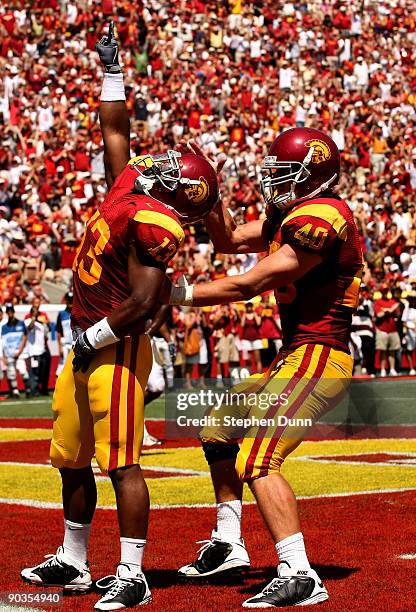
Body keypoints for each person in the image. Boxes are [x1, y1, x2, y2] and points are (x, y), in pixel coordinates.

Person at [21, 23, 220, 611]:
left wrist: (94, 339)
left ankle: (131, 572)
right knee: (70, 458)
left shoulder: (159, 224)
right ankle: (75, 561)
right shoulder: (130, 187)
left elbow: (144, 304)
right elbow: (114, 128)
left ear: (180, 192)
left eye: (172, 165)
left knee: (123, 464)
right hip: (84, 343)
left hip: (116, 347)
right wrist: (111, 71)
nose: (156, 159)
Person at [164, 129, 363, 608]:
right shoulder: (291, 214)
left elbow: (247, 285)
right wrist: (208, 190)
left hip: (320, 355)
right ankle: (230, 542)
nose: (273, 182)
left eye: (284, 172)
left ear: (312, 174)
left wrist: (173, 296)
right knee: (217, 429)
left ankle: (299, 572)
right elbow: (229, 239)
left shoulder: (325, 216)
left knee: (258, 457)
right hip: (294, 354)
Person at [1, 303, 30, 398]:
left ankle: (28, 391)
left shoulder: (21, 323)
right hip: (9, 355)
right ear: (6, 312)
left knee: (23, 372)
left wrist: (20, 351)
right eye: (8, 311)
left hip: (19, 354)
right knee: (12, 374)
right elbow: (4, 343)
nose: (10, 313)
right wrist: (4, 356)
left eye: (11, 311)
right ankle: (15, 392)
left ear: (13, 311)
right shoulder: (4, 327)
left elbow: (24, 338)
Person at [374, 284, 401, 376]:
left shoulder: (392, 301)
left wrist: (387, 310)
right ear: (381, 291)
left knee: (392, 350)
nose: (385, 292)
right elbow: (379, 315)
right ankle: (382, 370)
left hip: (393, 329)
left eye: (386, 290)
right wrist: (389, 310)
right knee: (383, 350)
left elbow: (397, 314)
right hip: (382, 329)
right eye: (384, 290)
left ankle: (392, 369)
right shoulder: (378, 302)